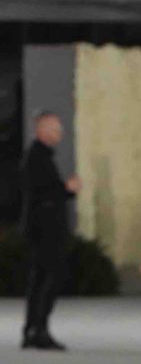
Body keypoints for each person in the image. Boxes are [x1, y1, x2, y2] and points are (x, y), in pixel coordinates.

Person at [19, 111, 79, 351]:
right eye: (53, 129)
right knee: (49, 279)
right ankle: (39, 329)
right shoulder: (36, 158)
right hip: (45, 230)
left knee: (40, 279)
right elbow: (45, 195)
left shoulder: (39, 157)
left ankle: (32, 329)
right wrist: (68, 188)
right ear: (41, 130)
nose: (59, 133)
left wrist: (65, 190)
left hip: (42, 228)